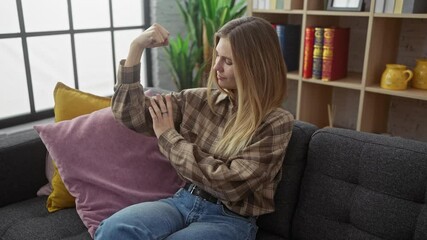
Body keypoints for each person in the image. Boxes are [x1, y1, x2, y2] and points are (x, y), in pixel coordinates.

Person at [94, 16, 294, 240]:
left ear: (256, 67)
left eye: (228, 61)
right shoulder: (196, 100)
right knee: (113, 228)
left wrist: (169, 138)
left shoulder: (276, 123)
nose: (216, 66)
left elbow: (230, 184)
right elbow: (130, 114)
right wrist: (136, 47)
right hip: (183, 201)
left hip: (231, 219)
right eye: (218, 55)